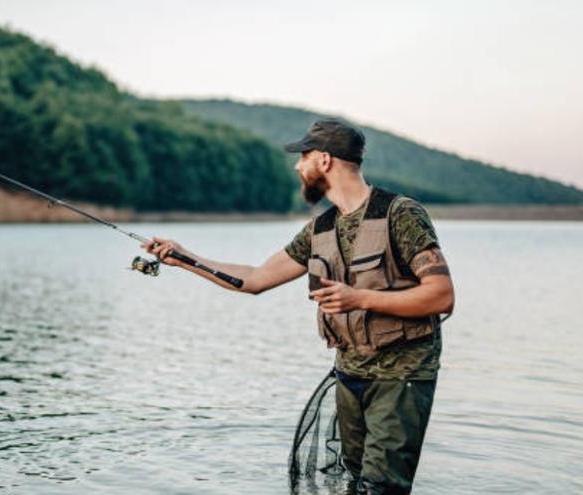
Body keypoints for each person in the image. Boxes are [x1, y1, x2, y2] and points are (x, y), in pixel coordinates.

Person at [141, 119, 454, 495]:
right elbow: (255, 279)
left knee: (382, 488)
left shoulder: (400, 214)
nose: (296, 166)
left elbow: (441, 295)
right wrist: (186, 258)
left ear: (324, 160)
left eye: (303, 157)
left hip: (401, 378)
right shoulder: (319, 229)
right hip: (349, 376)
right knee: (356, 483)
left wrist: (361, 298)